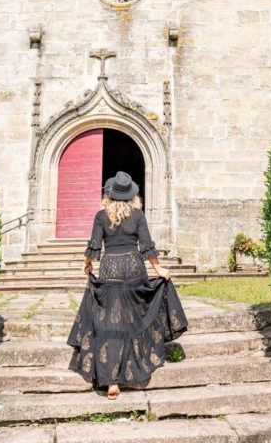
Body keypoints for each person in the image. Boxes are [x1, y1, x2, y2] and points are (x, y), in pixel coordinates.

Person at [67, 170, 188, 398]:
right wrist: (159, 268)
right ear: (131, 195)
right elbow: (147, 245)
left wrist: (88, 264)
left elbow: (94, 245)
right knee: (133, 318)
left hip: (111, 267)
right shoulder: (138, 215)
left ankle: (111, 380)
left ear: (109, 194)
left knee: (109, 323)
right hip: (134, 266)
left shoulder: (101, 216)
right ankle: (134, 369)